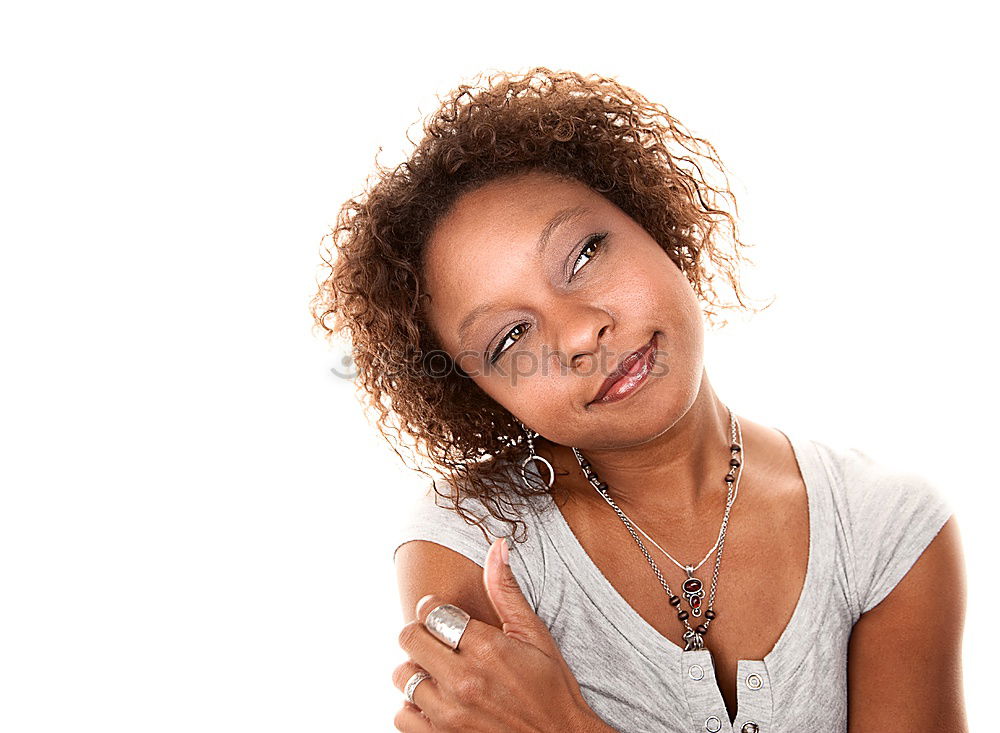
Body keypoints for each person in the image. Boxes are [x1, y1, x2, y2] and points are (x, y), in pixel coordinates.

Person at [310, 68, 968, 732]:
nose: (577, 332)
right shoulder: (476, 543)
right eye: (511, 336)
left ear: (654, 222)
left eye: (585, 252)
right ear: (477, 394)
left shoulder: (885, 530)